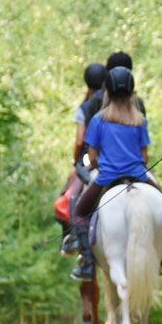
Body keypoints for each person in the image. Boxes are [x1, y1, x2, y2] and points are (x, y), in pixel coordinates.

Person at [70, 66, 162, 281]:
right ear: (131, 91)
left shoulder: (98, 120)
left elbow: (93, 155)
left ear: (106, 91)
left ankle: (87, 262)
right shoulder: (139, 120)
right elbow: (144, 157)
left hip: (107, 177)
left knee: (79, 213)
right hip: (138, 174)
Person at [58, 63, 107, 254]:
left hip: (91, 157)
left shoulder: (85, 107)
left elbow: (80, 140)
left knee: (71, 196)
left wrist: (75, 162)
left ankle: (73, 238)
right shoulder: (119, 103)